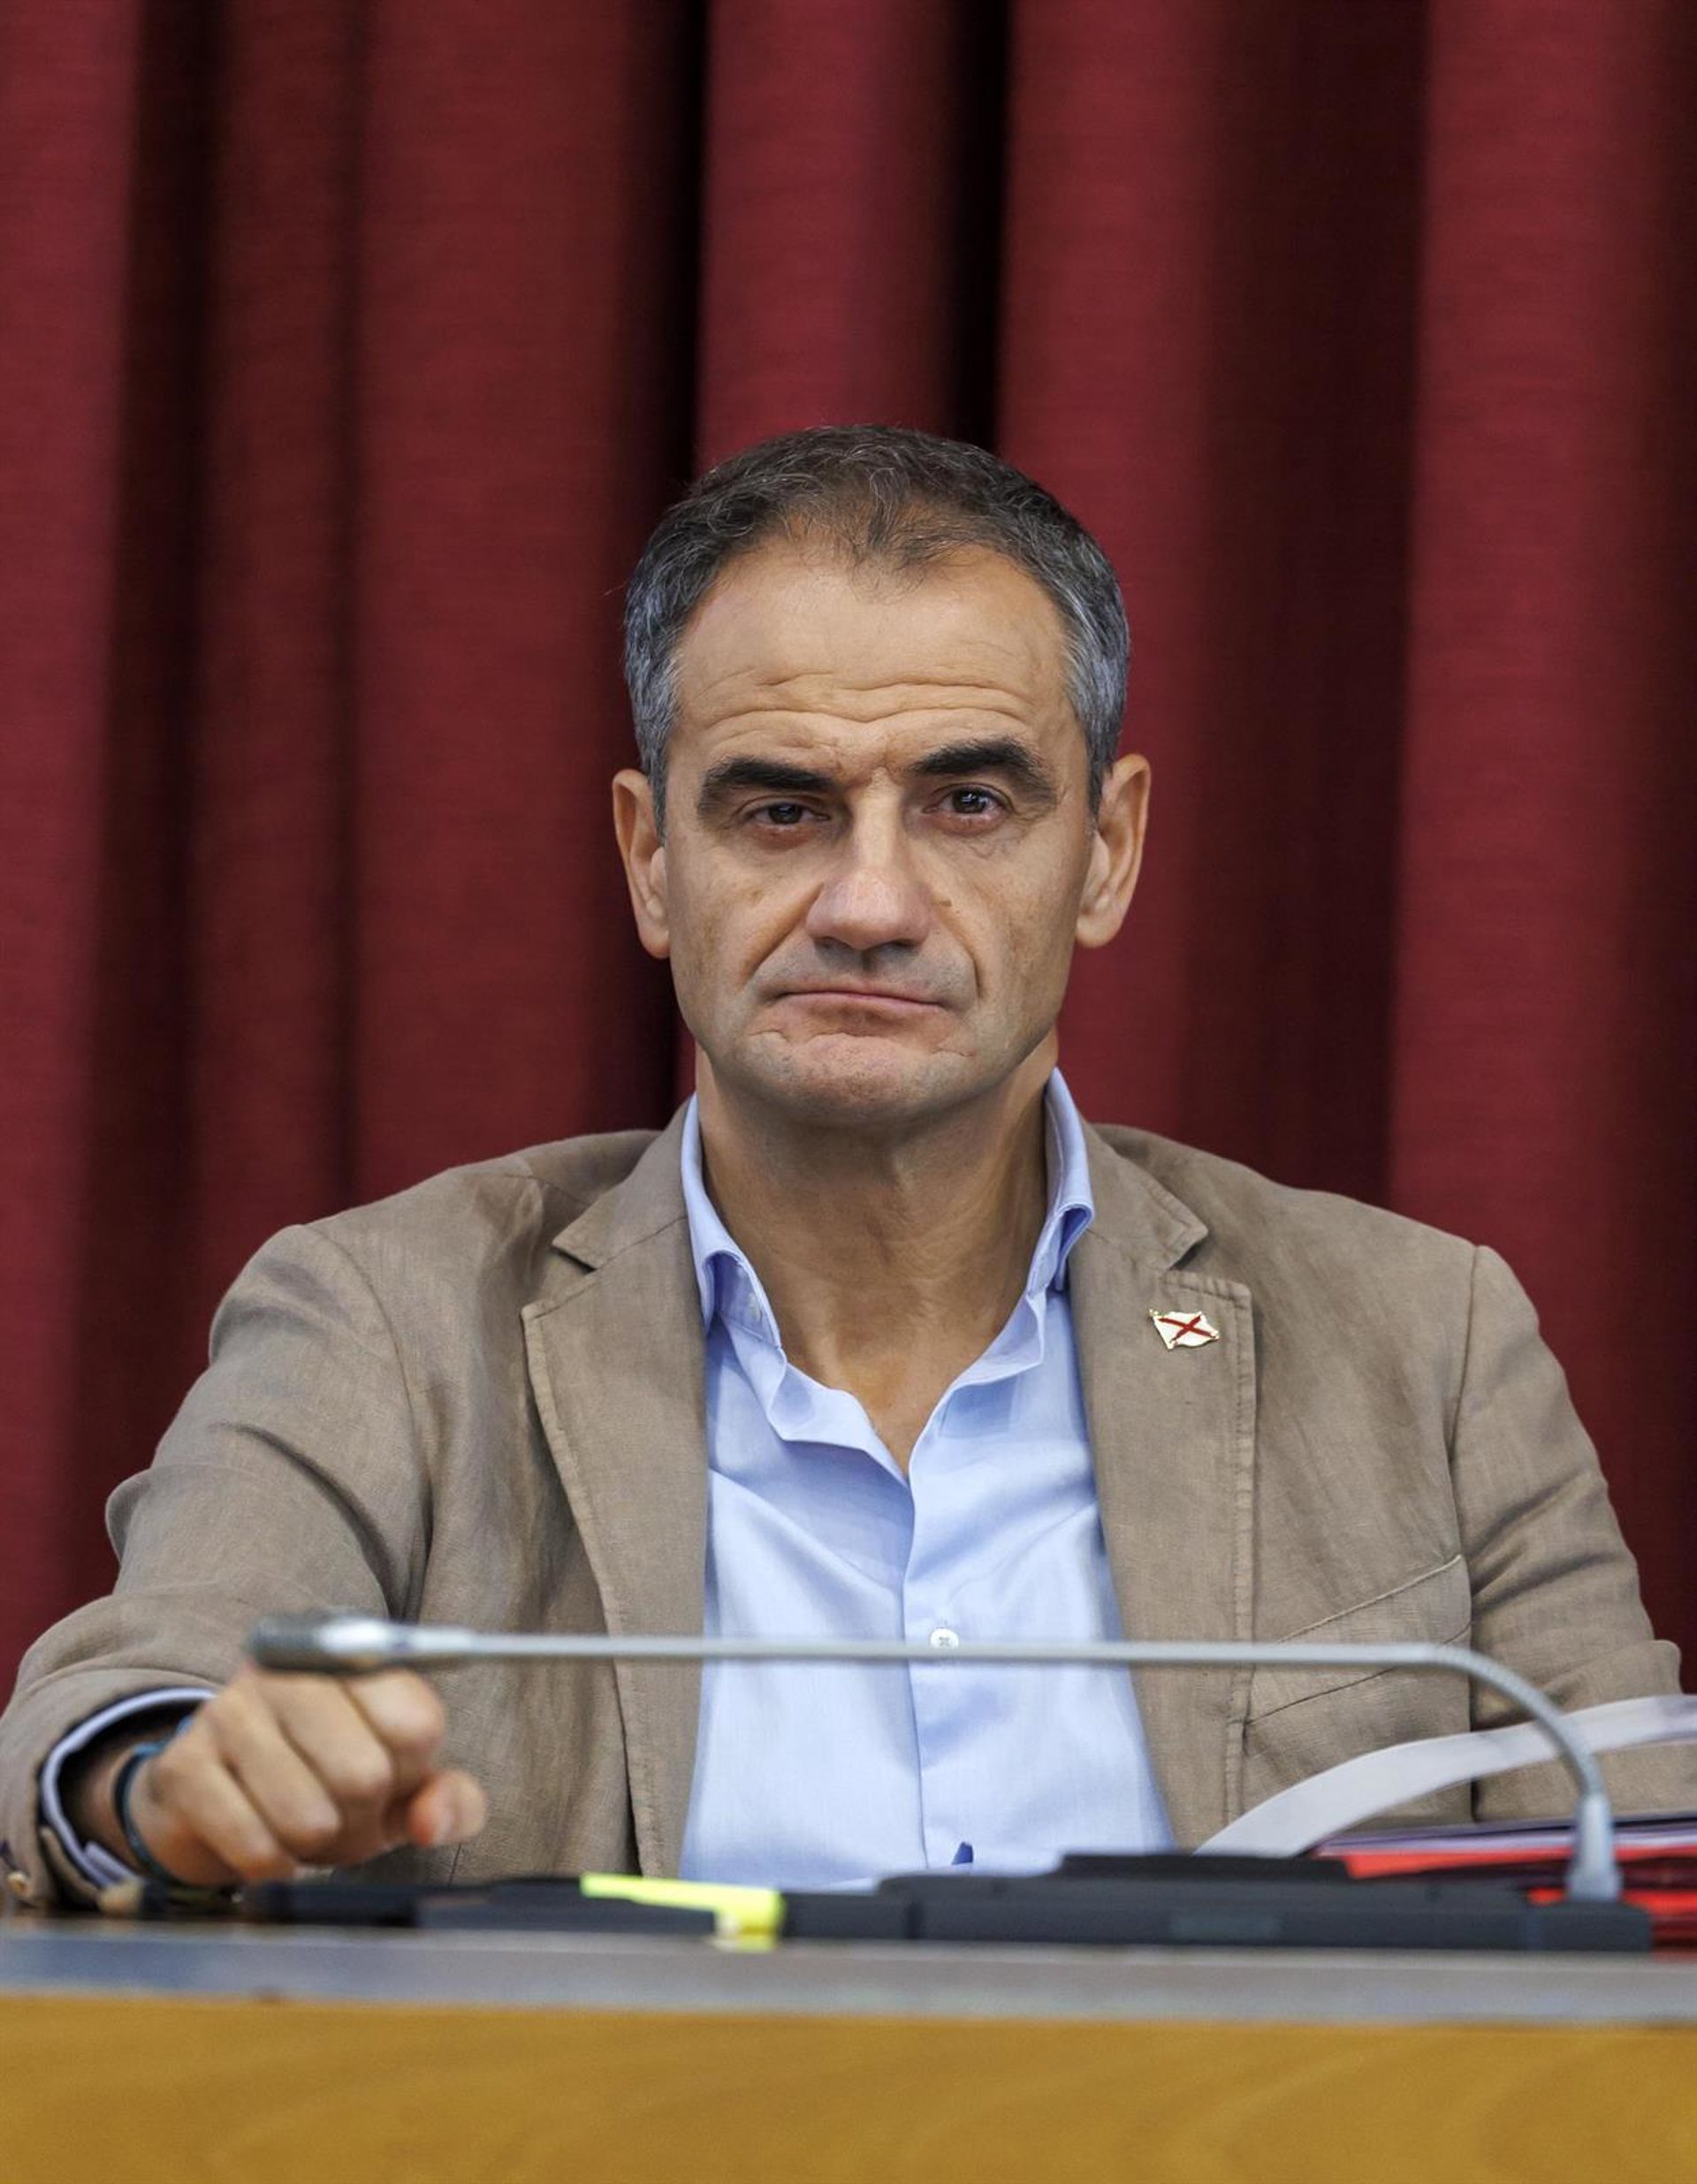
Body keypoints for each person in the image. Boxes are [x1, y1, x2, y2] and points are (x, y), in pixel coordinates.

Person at [3, 426, 1690, 1908]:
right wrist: (168, 1788)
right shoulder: (385, 1323)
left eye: (970, 804)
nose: (870, 905)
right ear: (651, 861)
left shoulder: (1423, 1343)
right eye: (781, 810)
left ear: (1106, 853)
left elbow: (1655, 1866)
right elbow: (109, 1722)